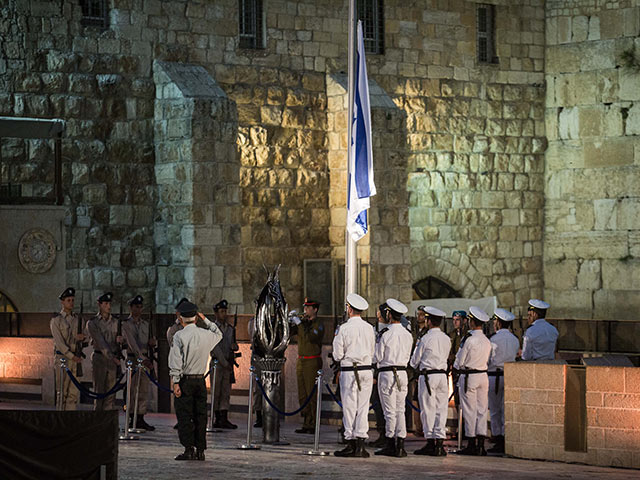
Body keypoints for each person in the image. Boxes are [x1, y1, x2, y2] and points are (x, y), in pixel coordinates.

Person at [169, 301, 223, 461]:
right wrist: (206, 320)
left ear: (180, 318)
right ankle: (200, 450)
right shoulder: (206, 334)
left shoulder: (179, 336)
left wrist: (176, 381)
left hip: (185, 381)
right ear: (196, 317)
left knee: (185, 416)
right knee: (200, 416)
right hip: (200, 381)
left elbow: (176, 361)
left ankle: (188, 449)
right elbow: (219, 334)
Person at [333, 293, 375, 458]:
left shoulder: (344, 328)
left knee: (350, 408)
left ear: (349, 309)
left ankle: (351, 442)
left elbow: (337, 355)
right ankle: (361, 445)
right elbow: (372, 350)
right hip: (366, 370)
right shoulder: (369, 328)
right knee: (363, 408)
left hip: (350, 372)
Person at [410, 306, 451, 456]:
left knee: (428, 409)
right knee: (441, 409)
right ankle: (439, 442)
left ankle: (430, 441)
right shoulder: (446, 338)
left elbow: (414, 361)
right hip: (442, 376)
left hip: (428, 376)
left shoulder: (426, 338)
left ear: (428, 321)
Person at [373, 299, 412, 457]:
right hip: (402, 373)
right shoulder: (407, 334)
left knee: (389, 411)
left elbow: (378, 356)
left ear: (389, 314)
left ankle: (390, 443)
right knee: (400, 410)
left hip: (388, 373)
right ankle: (401, 445)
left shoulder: (386, 334)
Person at [453, 306, 491, 456]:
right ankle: (481, 444)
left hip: (470, 376)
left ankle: (471, 442)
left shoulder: (468, 339)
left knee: (469, 410)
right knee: (482, 410)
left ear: (472, 322)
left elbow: (459, 361)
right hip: (483, 375)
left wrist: (457, 366)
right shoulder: (486, 340)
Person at [487, 308, 520, 454]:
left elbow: (488, 359)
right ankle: (506, 438)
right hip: (510, 375)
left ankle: (498, 438)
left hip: (494, 375)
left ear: (499, 323)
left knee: (495, 410)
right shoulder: (514, 339)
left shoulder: (493, 339)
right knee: (505, 409)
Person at [122, 295, 156, 431]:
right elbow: (133, 344)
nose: (139, 309)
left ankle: (140, 417)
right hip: (134, 360)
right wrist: (143, 359)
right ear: (131, 308)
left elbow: (148, 342)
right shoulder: (126, 324)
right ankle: (131, 417)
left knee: (143, 390)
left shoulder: (146, 324)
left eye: (141, 307)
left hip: (145, 360)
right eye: (136, 307)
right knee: (133, 389)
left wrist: (152, 343)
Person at [290, 298, 325, 434]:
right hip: (301, 360)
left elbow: (310, 337)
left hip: (312, 361)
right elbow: (291, 333)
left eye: (308, 308)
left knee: (312, 393)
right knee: (302, 394)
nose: (305, 310)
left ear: (315, 309)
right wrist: (290, 320)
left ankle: (313, 423)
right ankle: (306, 422)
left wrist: (299, 324)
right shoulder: (303, 323)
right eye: (305, 307)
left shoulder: (318, 324)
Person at [86, 292, 123, 411]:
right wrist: (113, 358)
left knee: (111, 393)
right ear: (99, 305)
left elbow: (122, 341)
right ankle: (98, 419)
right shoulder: (93, 323)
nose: (108, 306)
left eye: (109, 303)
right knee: (99, 392)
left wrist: (121, 341)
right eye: (106, 303)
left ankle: (108, 420)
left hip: (113, 360)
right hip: (100, 359)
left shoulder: (116, 322)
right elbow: (101, 343)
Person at [50, 287, 85, 410]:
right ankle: (60, 419)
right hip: (63, 359)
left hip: (76, 358)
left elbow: (86, 337)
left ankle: (70, 420)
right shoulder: (56, 320)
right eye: (68, 300)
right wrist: (71, 356)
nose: (71, 302)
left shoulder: (78, 319)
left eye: (72, 300)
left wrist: (83, 338)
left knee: (73, 394)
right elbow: (59, 342)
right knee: (62, 392)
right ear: (62, 302)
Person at [210, 299, 239, 429]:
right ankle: (216, 418)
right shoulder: (213, 329)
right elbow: (215, 348)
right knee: (216, 391)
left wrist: (235, 347)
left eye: (225, 311)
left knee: (226, 391)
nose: (224, 314)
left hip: (228, 363)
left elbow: (233, 345)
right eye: (221, 311)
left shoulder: (230, 329)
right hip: (218, 363)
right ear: (216, 313)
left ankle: (224, 417)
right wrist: (224, 362)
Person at [369, 303, 389, 448]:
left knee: (383, 406)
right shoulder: (376, 330)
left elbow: (378, 356)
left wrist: (374, 374)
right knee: (378, 405)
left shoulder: (385, 332)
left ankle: (385, 435)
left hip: (381, 373)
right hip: (377, 372)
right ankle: (383, 433)